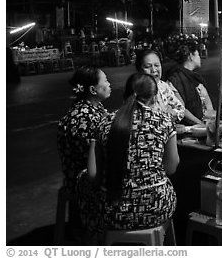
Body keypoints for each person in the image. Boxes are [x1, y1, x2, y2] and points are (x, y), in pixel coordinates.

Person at [87, 72, 179, 233]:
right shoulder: (164, 122)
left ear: (125, 94)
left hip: (112, 213)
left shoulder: (104, 122)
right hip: (156, 209)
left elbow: (93, 175)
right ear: (154, 97)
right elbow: (171, 167)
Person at [58, 66, 111, 195]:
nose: (109, 84)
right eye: (105, 80)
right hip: (84, 185)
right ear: (93, 90)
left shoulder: (93, 106)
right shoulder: (84, 118)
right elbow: (99, 156)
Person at [164, 41, 214, 125]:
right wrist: (200, 124)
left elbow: (207, 101)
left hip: (204, 124)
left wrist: (210, 120)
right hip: (188, 129)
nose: (200, 58)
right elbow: (181, 108)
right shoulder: (175, 79)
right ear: (191, 56)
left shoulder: (196, 78)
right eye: (197, 55)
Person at [136, 49, 186, 123]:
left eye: (156, 65)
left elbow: (181, 109)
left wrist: (172, 113)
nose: (153, 70)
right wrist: (165, 114)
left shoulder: (164, 86)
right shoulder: (137, 89)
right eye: (148, 66)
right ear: (140, 69)